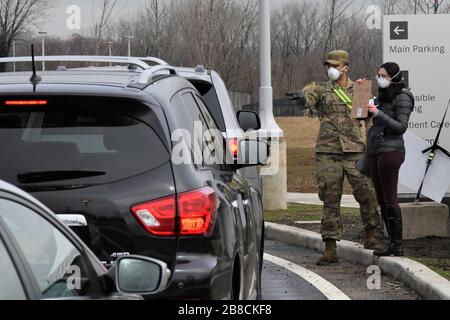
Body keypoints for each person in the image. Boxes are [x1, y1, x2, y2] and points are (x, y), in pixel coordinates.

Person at [288, 50, 384, 265]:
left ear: (345, 68)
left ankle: (372, 236)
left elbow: (366, 120)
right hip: (328, 152)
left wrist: (372, 146)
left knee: (367, 194)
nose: (330, 69)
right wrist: (301, 98)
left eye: (334, 65)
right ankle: (330, 248)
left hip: (355, 151)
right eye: (328, 65)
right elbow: (308, 99)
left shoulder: (359, 89)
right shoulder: (319, 88)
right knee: (330, 199)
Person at [365, 62, 414, 257]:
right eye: (378, 75)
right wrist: (363, 101)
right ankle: (391, 242)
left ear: (393, 76)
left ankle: (397, 244)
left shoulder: (403, 96)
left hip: (391, 151)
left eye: (383, 75)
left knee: (390, 197)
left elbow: (401, 126)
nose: (380, 78)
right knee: (381, 198)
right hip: (376, 150)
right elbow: (364, 117)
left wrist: (378, 114)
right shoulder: (382, 96)